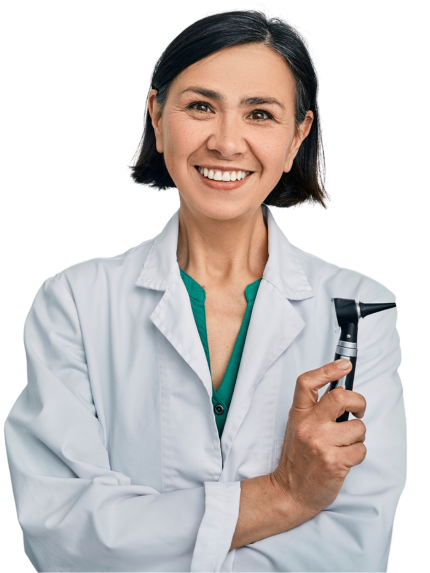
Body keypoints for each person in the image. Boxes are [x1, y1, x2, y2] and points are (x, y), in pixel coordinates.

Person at [4, 4, 407, 572]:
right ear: (157, 115)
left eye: (260, 114)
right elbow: (65, 533)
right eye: (200, 106)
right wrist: (288, 495)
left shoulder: (359, 309)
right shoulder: (74, 302)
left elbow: (353, 543)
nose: (226, 142)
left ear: (298, 137)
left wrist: (148, 535)